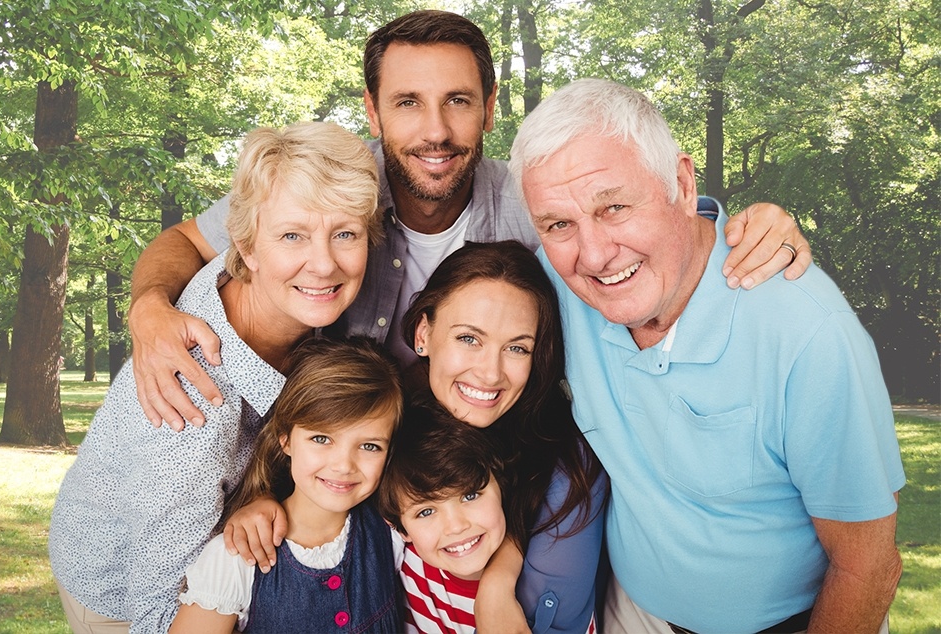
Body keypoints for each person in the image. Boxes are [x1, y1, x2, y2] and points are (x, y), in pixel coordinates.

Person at [126, 9, 814, 435]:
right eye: (408, 103)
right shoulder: (330, 184)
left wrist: (745, 224)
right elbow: (187, 241)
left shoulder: (525, 201)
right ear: (373, 111)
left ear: (488, 108)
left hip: (468, 461)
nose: (435, 130)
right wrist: (149, 307)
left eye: (457, 100)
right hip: (317, 451)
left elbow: (648, 219)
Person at [507, 78, 905, 633]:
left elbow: (868, 567)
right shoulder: (554, 286)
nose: (594, 254)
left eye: (615, 206)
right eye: (558, 224)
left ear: (682, 182)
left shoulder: (807, 333)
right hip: (633, 612)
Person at [48, 120, 384, 634]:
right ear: (246, 247)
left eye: (345, 234)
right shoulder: (192, 405)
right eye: (293, 236)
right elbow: (160, 607)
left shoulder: (275, 301)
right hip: (122, 590)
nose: (323, 264)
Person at [228, 241, 605, 634]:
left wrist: (498, 580)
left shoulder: (559, 456)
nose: (491, 373)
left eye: (517, 348)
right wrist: (262, 501)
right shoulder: (388, 418)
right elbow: (319, 456)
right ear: (423, 333)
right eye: (469, 339)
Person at [171, 337, 405, 634]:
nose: (344, 465)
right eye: (321, 439)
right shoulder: (235, 558)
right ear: (285, 439)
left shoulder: (392, 533)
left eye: (370, 446)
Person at [375, 401, 513, 634]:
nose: (457, 526)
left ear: (500, 484)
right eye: (426, 512)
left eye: (470, 495)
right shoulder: (408, 566)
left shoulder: (542, 567)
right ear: (400, 528)